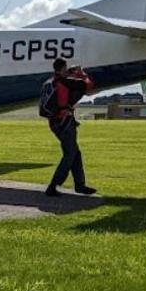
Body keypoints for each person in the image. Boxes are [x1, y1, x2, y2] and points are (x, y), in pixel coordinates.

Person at [39, 58, 97, 197]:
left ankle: (80, 185)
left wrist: (71, 72)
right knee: (70, 154)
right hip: (65, 122)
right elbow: (87, 86)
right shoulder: (65, 81)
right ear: (63, 68)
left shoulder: (49, 82)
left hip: (54, 122)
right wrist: (82, 73)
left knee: (75, 153)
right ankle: (53, 186)